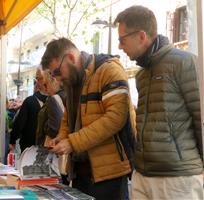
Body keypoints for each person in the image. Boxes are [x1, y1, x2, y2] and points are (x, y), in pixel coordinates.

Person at [114, 5, 203, 200]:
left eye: (122, 39)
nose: (120, 46)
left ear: (141, 36)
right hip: (143, 175)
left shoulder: (185, 62)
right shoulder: (142, 75)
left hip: (178, 179)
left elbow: (201, 117)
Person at [40, 38, 136, 200]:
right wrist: (61, 138)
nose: (57, 78)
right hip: (80, 172)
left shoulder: (109, 70)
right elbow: (69, 117)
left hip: (109, 174)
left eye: (56, 72)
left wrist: (72, 142)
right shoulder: (73, 81)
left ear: (70, 58)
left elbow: (115, 118)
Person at [9, 68, 48, 152]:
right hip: (48, 148)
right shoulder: (57, 98)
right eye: (36, 79)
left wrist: (12, 140)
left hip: (29, 147)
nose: (37, 81)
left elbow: (19, 123)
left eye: (38, 78)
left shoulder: (29, 101)